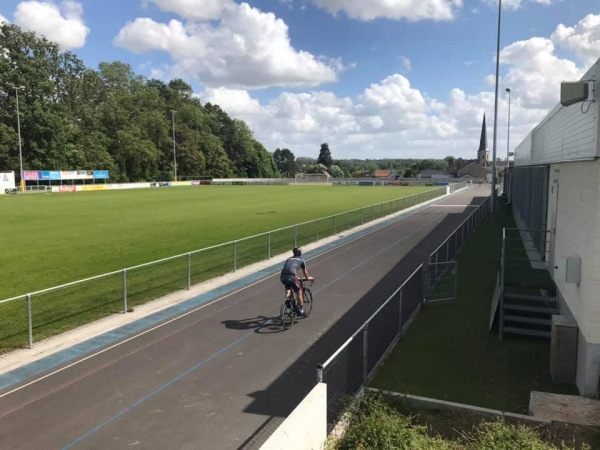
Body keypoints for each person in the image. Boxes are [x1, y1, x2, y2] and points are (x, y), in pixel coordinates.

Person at [280, 247, 313, 315]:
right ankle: (300, 309)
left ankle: (288, 300)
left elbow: (289, 268)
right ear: (300, 254)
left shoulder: (289, 259)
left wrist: (295, 276)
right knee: (299, 292)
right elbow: (305, 272)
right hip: (291, 277)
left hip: (283, 277)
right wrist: (307, 278)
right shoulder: (301, 260)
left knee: (288, 287)